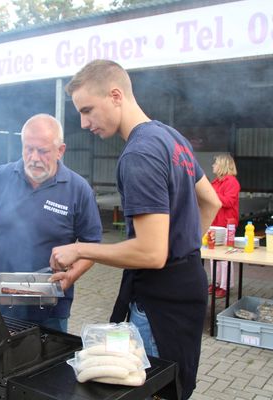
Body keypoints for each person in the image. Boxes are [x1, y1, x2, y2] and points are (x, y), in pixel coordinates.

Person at [49, 60, 221, 399]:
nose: (84, 123)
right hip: (188, 287)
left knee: (149, 389)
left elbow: (150, 253)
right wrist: (181, 247)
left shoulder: (139, 154)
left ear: (115, 95)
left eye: (87, 110)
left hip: (159, 301)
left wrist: (81, 248)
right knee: (174, 384)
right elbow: (211, 201)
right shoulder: (172, 138)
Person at [0, 114, 102, 332]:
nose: (34, 158)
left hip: (50, 310)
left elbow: (92, 244)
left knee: (48, 365)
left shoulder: (78, 189)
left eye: (42, 151)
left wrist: (72, 275)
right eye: (28, 149)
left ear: (60, 150)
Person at [209, 154, 241, 299]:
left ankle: (225, 286)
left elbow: (228, 202)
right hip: (214, 223)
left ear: (222, 165)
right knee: (212, 256)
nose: (212, 166)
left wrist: (212, 195)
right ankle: (216, 283)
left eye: (215, 163)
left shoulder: (232, 182)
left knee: (225, 257)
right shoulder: (215, 182)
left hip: (227, 224)